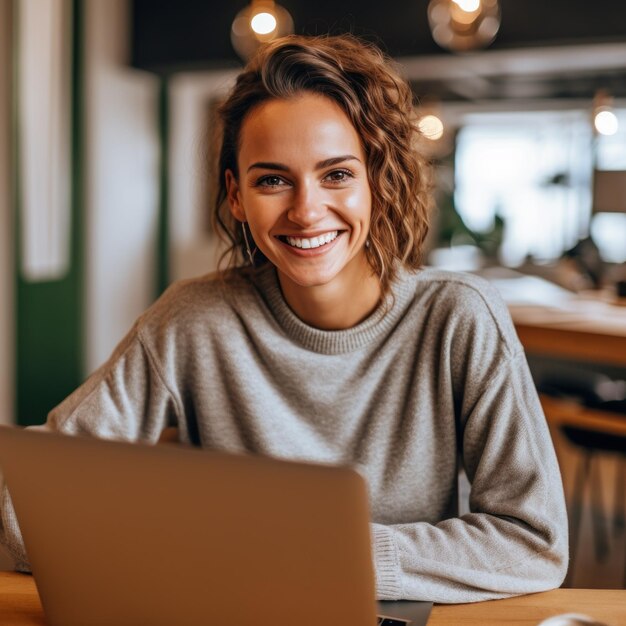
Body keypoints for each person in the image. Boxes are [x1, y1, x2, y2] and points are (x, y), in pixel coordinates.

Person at [0, 33, 568, 603]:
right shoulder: (192, 319)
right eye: (272, 179)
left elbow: (533, 541)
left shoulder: (458, 317)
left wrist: (321, 553)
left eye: (337, 174)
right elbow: (25, 510)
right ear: (237, 196)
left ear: (377, 179)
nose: (305, 210)